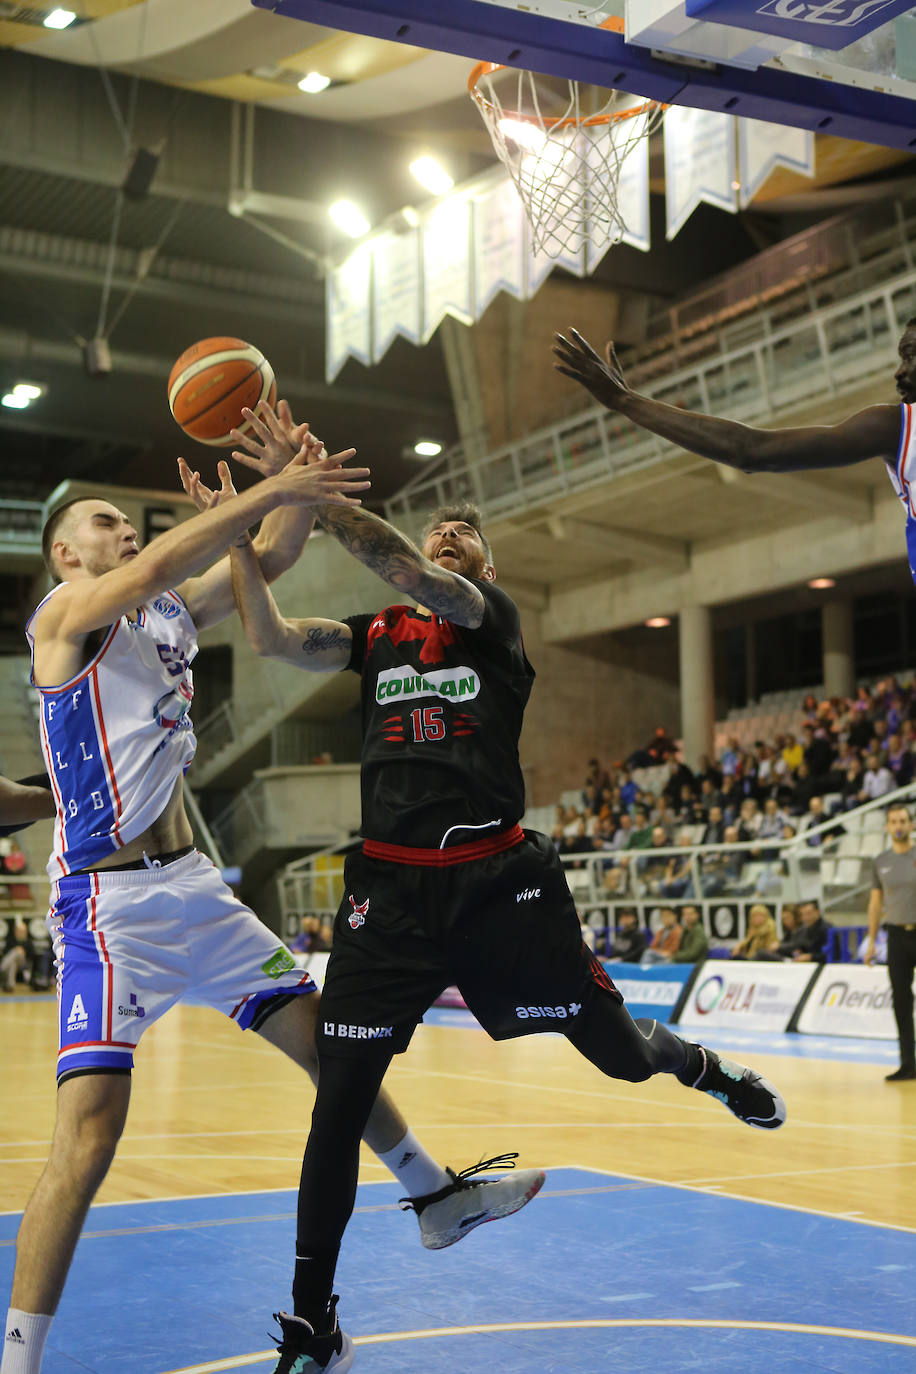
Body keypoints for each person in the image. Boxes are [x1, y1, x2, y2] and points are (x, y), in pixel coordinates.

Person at [1, 412, 539, 1374]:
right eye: (103, 523)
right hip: (106, 910)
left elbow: (272, 556)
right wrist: (263, 499)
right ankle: (17, 1360)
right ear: (61, 554)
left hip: (196, 893)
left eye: (129, 521)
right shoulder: (61, 617)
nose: (122, 531)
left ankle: (434, 1197)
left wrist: (292, 477)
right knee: (87, 1141)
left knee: (334, 1047)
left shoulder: (161, 615)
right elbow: (164, 558)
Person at [227, 485, 787, 1370]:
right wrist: (238, 537)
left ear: (487, 567)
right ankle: (312, 1325)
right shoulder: (375, 638)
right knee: (337, 1107)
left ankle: (701, 1065)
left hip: (501, 890)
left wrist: (307, 497)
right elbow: (269, 638)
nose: (450, 534)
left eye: (468, 534)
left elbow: (408, 567)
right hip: (391, 899)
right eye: (440, 527)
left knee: (623, 1057)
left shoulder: (493, 621)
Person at [552, 319, 916, 585]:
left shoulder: (896, 426)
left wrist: (624, 401)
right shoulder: (895, 427)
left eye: (911, 357)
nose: (899, 373)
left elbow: (751, 450)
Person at [865, 803, 916, 1081]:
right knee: (901, 1001)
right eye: (894, 821)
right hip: (896, 936)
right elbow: (875, 903)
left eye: (903, 820)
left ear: (911, 825)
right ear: (887, 827)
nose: (899, 825)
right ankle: (908, 1063)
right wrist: (871, 942)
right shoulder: (880, 861)